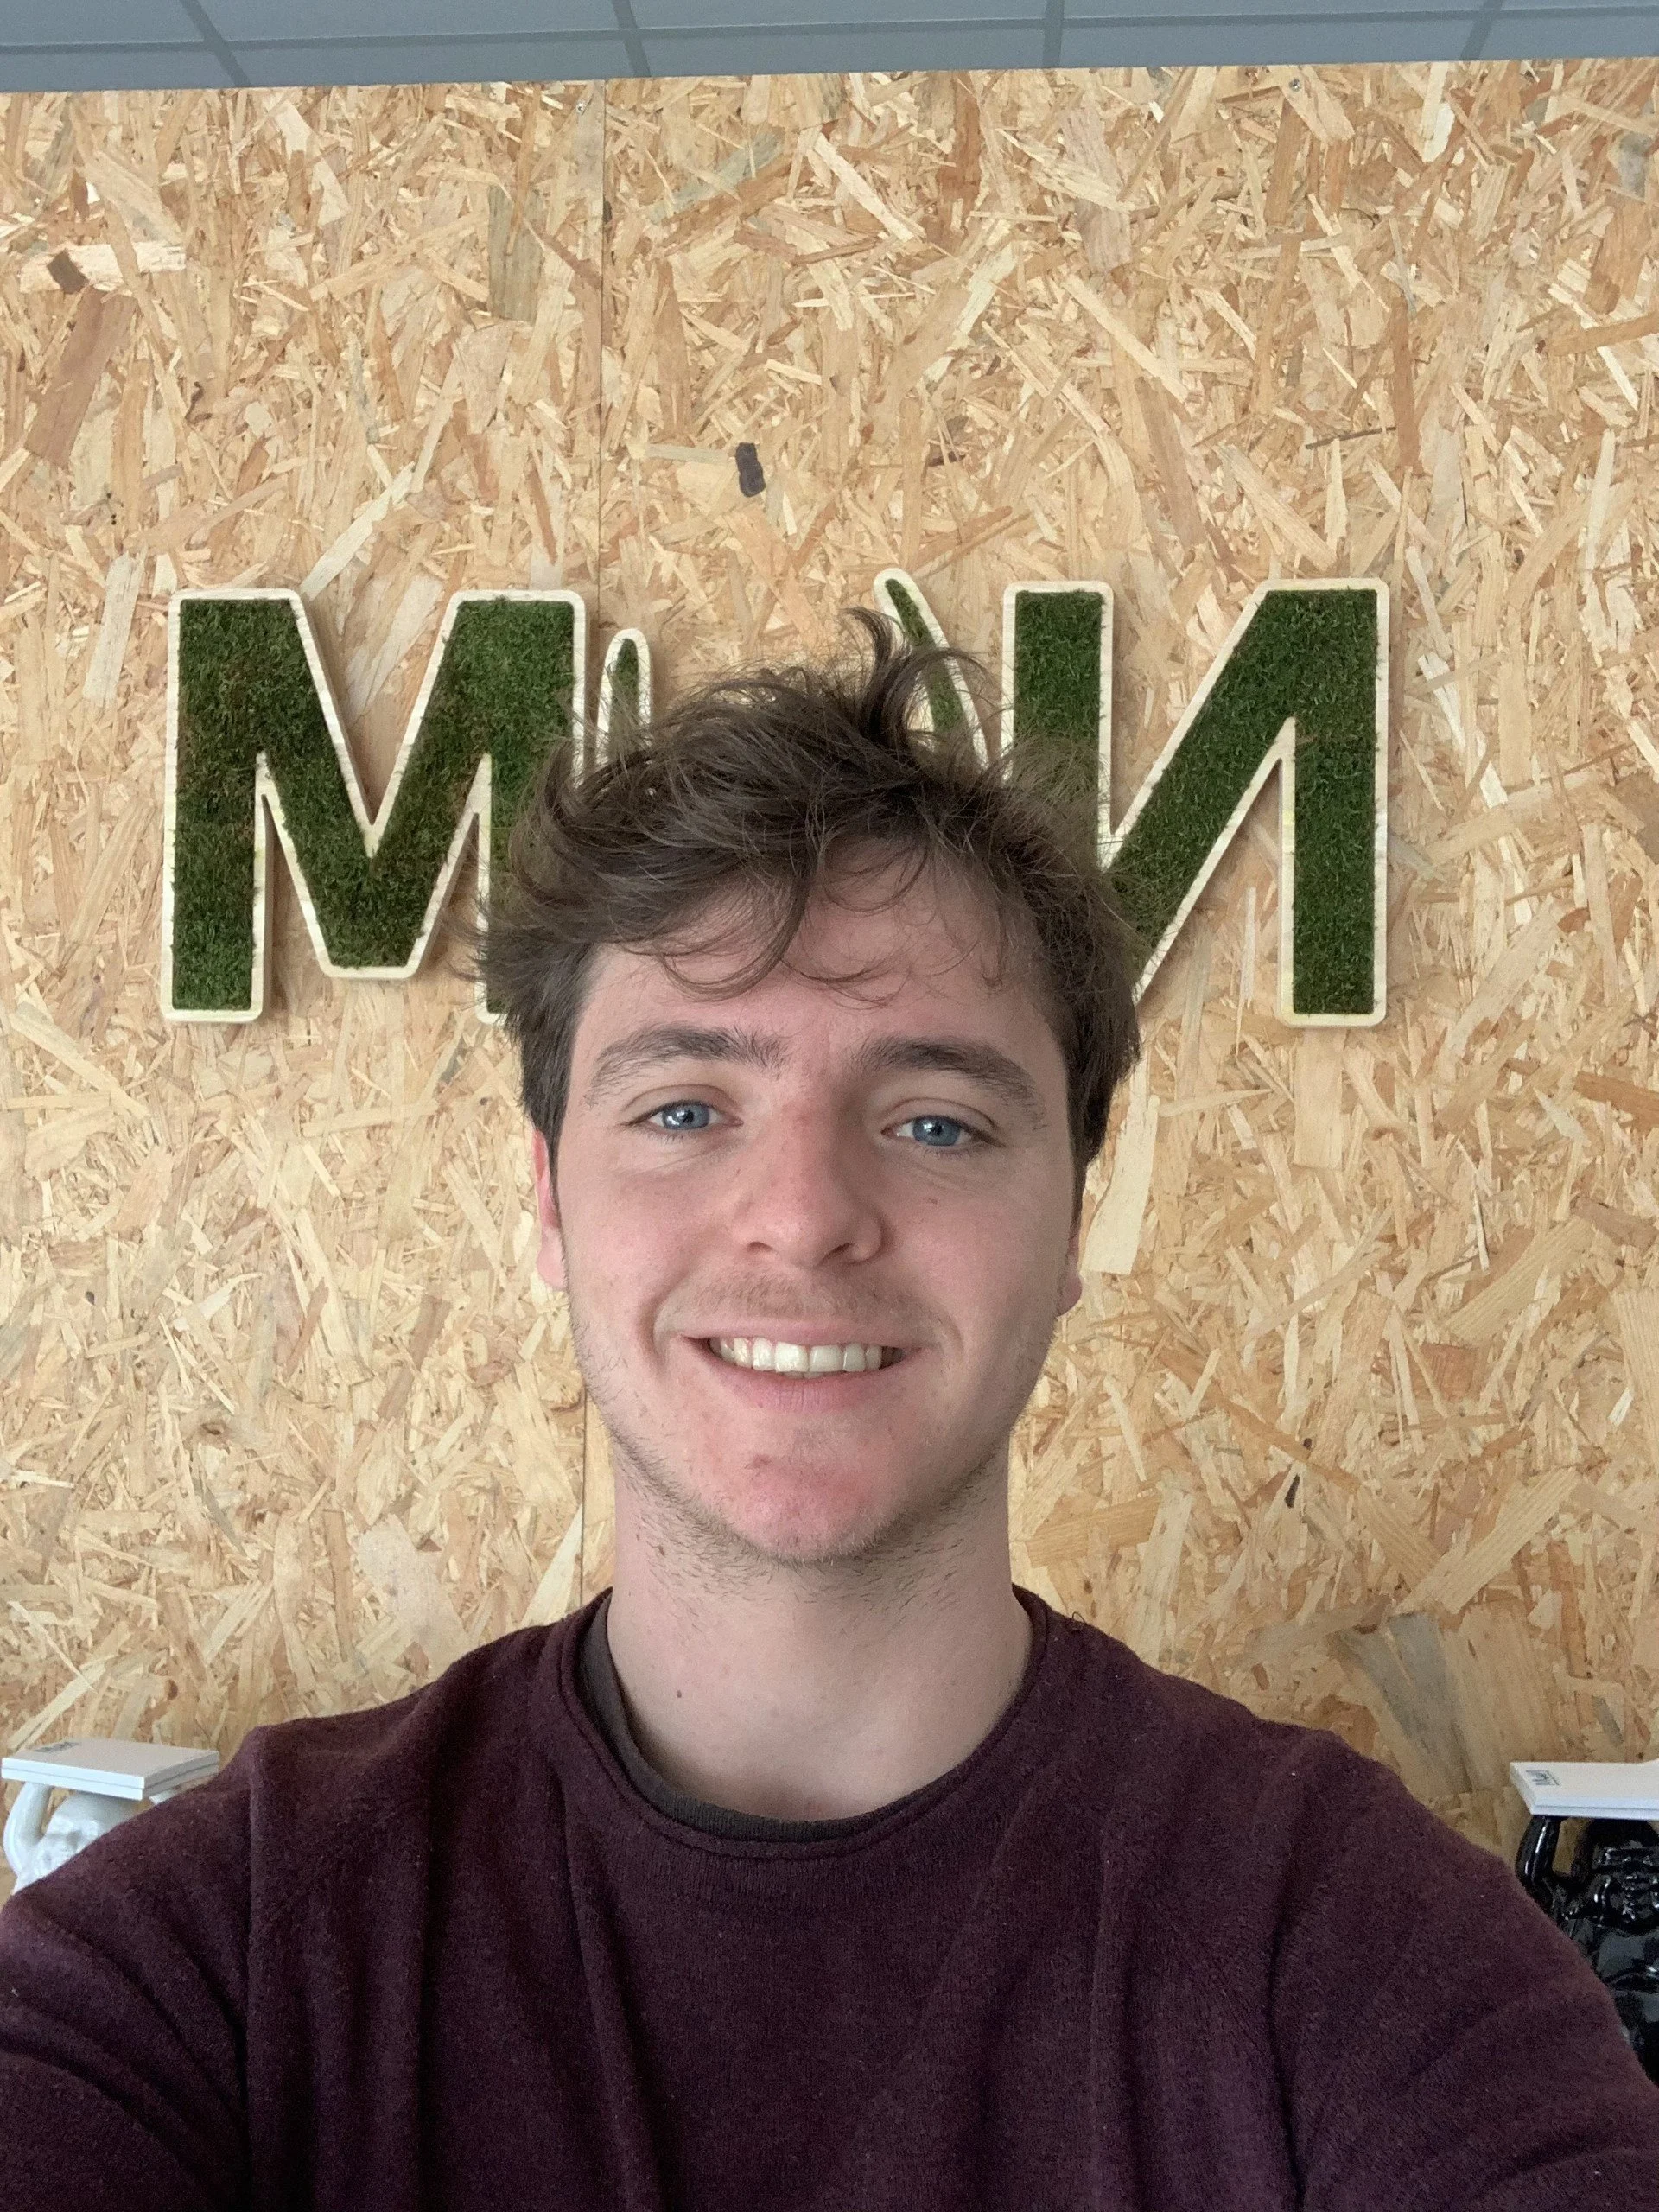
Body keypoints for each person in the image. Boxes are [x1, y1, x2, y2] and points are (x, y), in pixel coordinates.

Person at [0, 616, 1655, 2210]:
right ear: (550, 1205)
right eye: (686, 1106)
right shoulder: (233, 1943)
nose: (802, 1215)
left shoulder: (1370, 1959)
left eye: (936, 1123)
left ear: (1074, 1220)